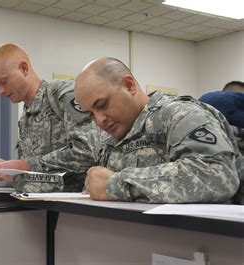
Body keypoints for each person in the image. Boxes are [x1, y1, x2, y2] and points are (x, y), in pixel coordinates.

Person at [74, 57, 241, 203]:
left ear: (129, 85)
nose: (99, 120)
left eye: (102, 105)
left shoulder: (180, 115)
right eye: (90, 114)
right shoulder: (109, 139)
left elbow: (216, 175)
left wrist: (116, 184)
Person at [0, 43, 100, 193]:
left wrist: (26, 165)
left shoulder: (62, 94)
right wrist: (7, 168)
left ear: (24, 69)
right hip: (38, 208)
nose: (0, 91)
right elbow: (39, 169)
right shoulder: (27, 114)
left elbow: (88, 151)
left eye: (3, 82)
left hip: (72, 208)